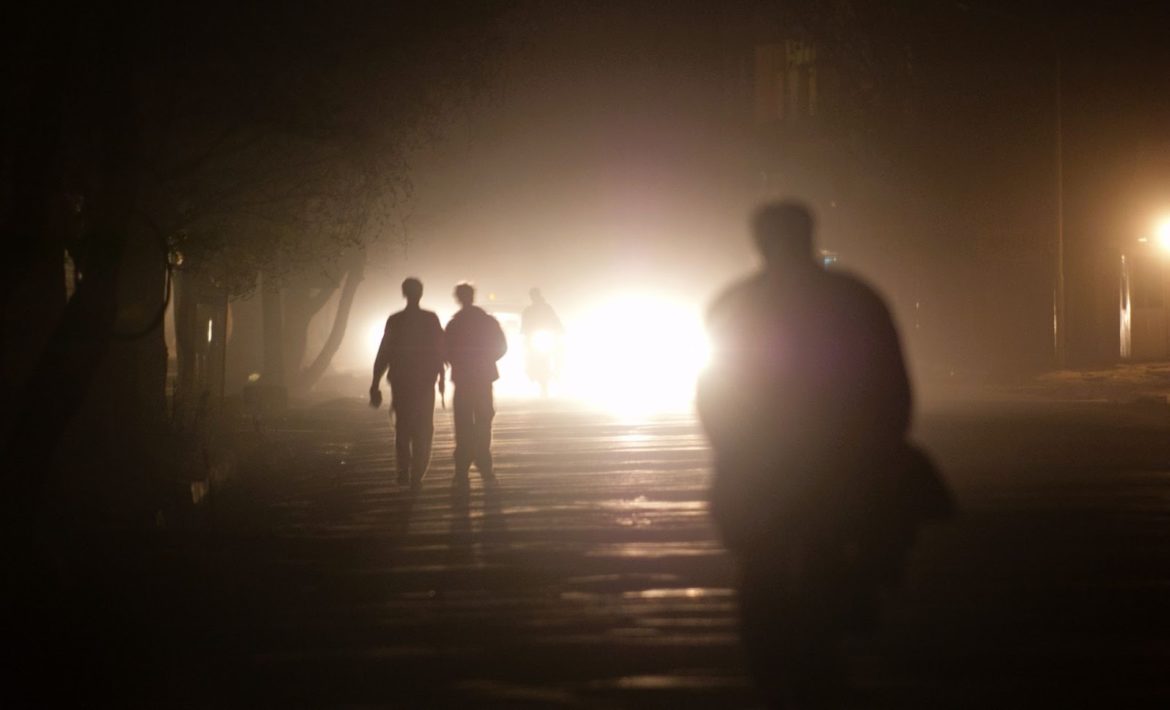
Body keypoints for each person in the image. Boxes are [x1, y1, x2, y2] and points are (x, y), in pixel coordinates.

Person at [697, 201, 952, 707]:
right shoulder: (854, 297)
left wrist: (729, 447)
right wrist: (885, 440)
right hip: (835, 452)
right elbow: (891, 380)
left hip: (773, 456)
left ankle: (820, 617)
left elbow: (715, 387)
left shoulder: (738, 302)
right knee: (850, 536)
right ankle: (857, 592)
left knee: (766, 557)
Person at [370, 277, 445, 491]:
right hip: (424, 382)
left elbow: (384, 352)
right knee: (423, 428)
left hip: (401, 381)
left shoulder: (395, 321)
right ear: (420, 294)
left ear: (404, 294)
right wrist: (440, 377)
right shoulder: (430, 319)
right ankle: (417, 473)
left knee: (403, 427)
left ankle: (403, 469)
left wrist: (375, 382)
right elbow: (439, 351)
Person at [444, 282, 508, 491]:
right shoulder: (487, 322)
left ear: (458, 298)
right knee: (483, 419)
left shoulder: (454, 324)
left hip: (463, 379)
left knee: (463, 423)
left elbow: (445, 351)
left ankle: (462, 471)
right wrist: (487, 360)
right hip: (483, 378)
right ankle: (484, 464)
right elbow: (501, 346)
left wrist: (459, 362)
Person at [520, 287, 564, 397]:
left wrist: (560, 329)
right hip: (534, 337)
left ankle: (558, 370)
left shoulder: (547, 308)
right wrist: (525, 332)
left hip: (547, 336)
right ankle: (530, 370)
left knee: (558, 352)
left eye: (535, 295)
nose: (534, 298)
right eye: (532, 296)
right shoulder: (528, 310)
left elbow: (555, 320)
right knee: (528, 353)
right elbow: (524, 325)